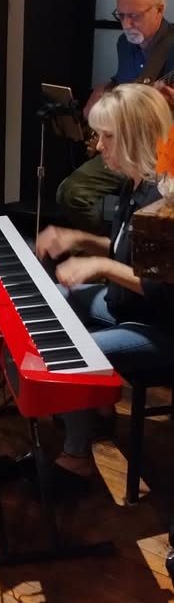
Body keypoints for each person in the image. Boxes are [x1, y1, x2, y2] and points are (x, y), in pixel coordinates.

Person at [36, 82, 174, 494]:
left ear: (134, 136)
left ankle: (76, 457)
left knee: (70, 352)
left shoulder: (166, 199)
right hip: (128, 305)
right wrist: (80, 239)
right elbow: (126, 247)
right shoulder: (137, 182)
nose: (98, 147)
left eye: (107, 136)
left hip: (161, 326)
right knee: (51, 305)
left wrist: (102, 265)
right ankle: (96, 406)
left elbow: (162, 290)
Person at [56, 0, 174, 234]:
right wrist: (104, 89)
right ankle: (112, 247)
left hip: (160, 151)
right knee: (71, 193)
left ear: (159, 10)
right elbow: (123, 81)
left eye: (135, 16)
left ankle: (123, 251)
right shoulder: (125, 43)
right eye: (121, 16)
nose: (126, 24)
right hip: (124, 143)